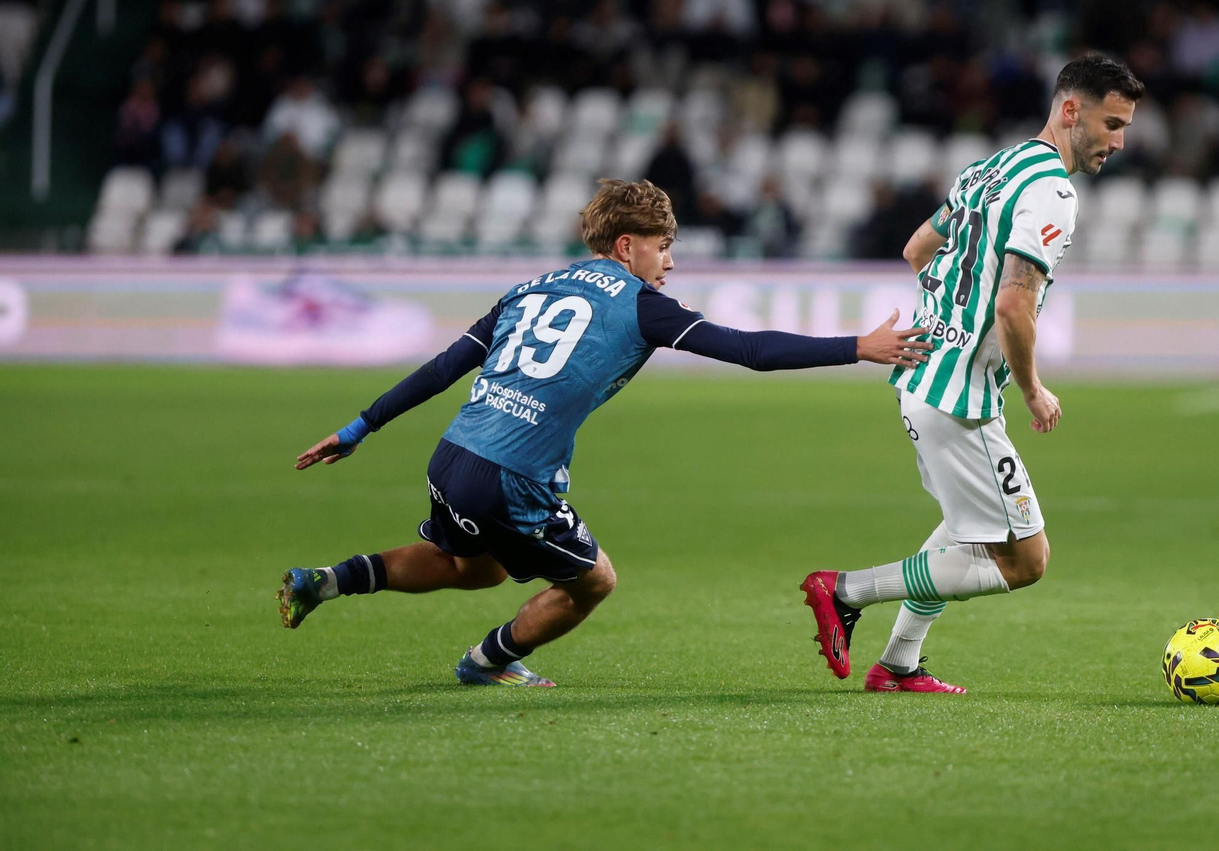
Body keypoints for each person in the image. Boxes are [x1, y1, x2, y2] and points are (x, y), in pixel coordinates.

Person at [279, 179, 930, 687]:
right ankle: (487, 661)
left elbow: (446, 366)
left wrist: (360, 426)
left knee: (469, 566)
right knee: (593, 582)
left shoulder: (529, 289)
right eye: (661, 245)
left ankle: (326, 580)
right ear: (626, 246)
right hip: (511, 476)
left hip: (452, 458)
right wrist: (858, 345)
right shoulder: (639, 303)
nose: (669, 262)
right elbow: (750, 349)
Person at [800, 55, 1144, 693]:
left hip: (925, 380)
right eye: (1112, 123)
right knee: (1025, 559)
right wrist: (1035, 389)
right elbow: (1014, 301)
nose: (1119, 142)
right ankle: (844, 591)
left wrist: (948, 318)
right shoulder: (1052, 192)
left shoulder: (990, 168)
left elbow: (917, 250)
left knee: (966, 527)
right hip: (961, 401)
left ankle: (899, 662)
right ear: (1071, 111)